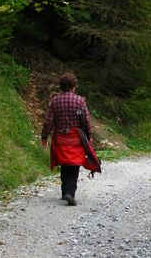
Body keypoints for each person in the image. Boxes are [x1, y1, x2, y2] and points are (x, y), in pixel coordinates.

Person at [41, 72, 92, 206]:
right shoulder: (80, 101)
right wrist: (88, 137)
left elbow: (48, 122)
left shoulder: (54, 101)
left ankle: (65, 193)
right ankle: (70, 193)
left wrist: (44, 136)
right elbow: (85, 121)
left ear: (61, 86)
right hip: (75, 138)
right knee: (74, 165)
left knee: (64, 164)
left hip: (60, 138)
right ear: (74, 86)